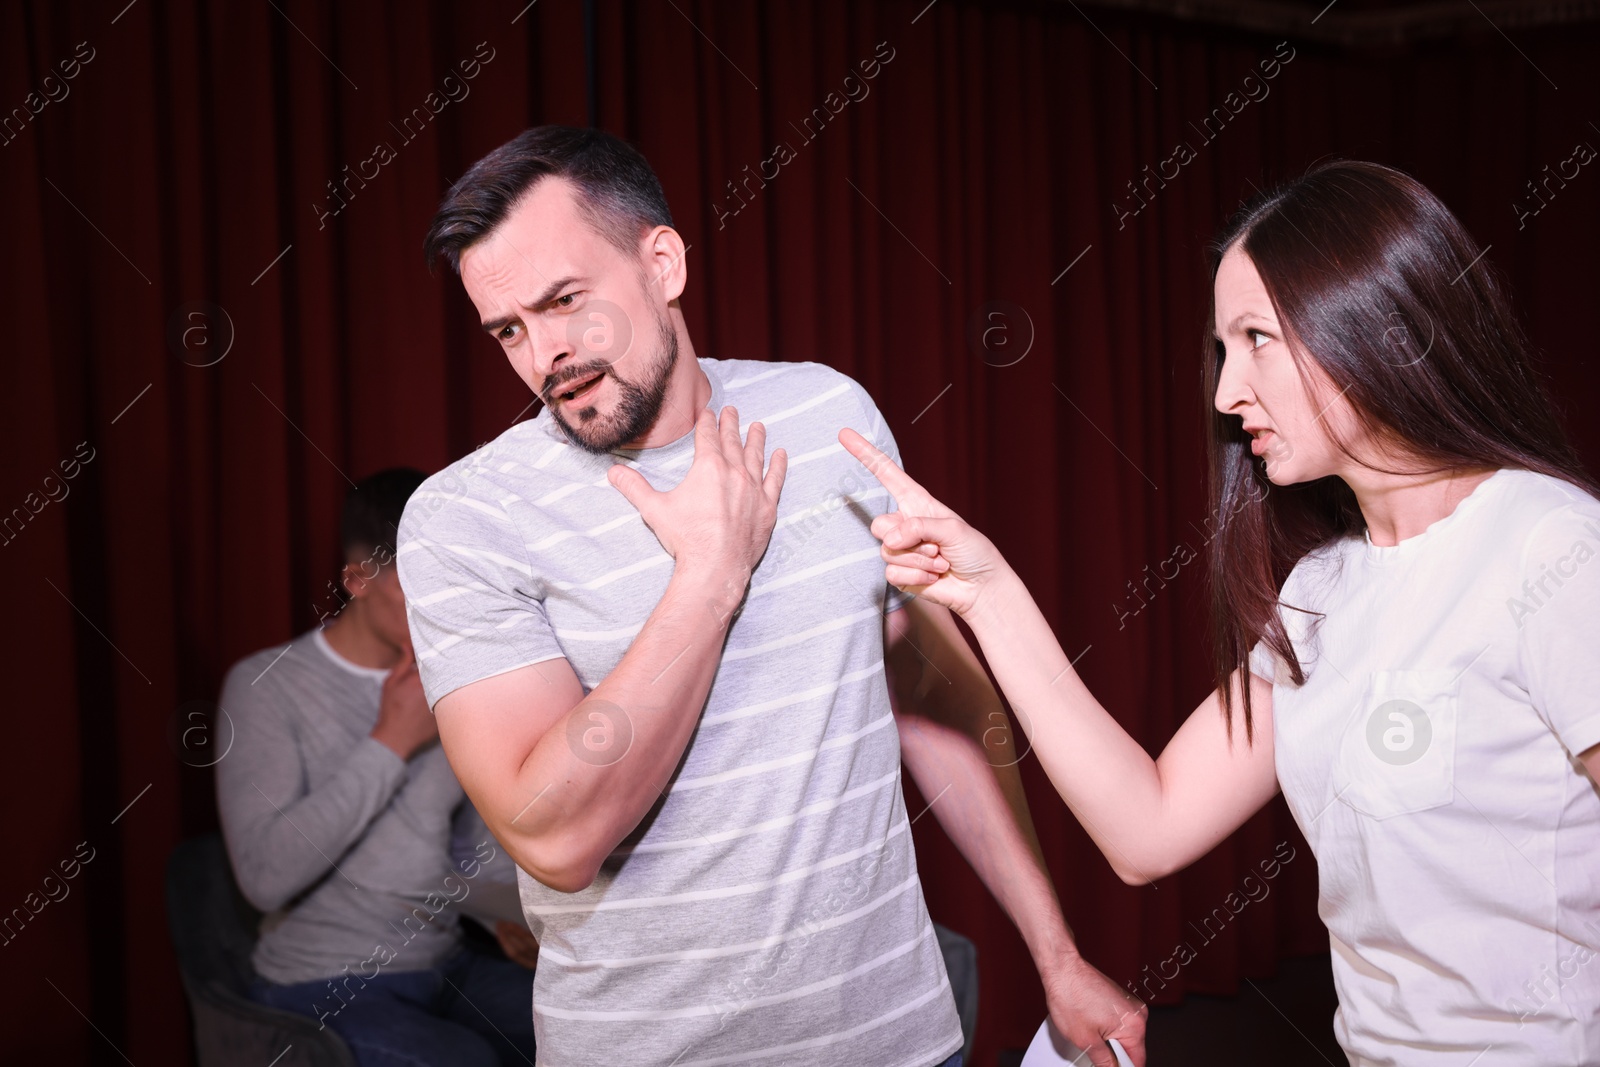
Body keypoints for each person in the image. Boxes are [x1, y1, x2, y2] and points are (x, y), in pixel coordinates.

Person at [394, 125, 1147, 1067]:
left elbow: (936, 699)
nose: (545, 354)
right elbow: (557, 835)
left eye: (565, 302)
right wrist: (710, 576)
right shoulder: (464, 517)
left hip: (898, 1043)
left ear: (660, 261)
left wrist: (1057, 954)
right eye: (509, 329)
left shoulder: (828, 416)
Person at [842, 159, 1600, 1065]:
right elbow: (1146, 828)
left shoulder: (1549, 548)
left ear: (1374, 322)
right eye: (1221, 348)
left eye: (1257, 338)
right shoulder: (1321, 593)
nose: (1225, 394)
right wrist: (989, 590)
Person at [215, 468, 538, 1067]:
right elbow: (264, 879)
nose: (438, 606)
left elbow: (462, 847)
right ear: (358, 581)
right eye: (416, 585)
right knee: (465, 1060)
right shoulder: (266, 687)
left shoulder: (452, 679)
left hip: (447, 962)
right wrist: (391, 740)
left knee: (583, 1027)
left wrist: (503, 922)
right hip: (320, 983)